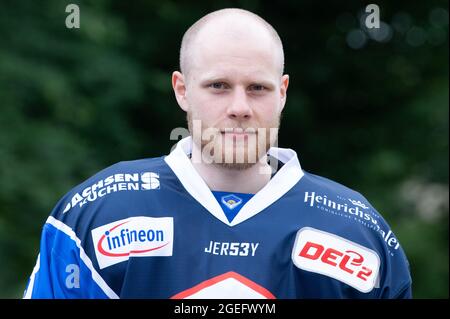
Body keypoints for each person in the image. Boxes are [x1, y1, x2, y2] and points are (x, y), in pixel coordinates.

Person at [23, 8, 412, 299]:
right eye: (219, 86)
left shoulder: (357, 231)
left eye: (257, 88)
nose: (239, 107)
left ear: (283, 92)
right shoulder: (96, 212)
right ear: (182, 90)